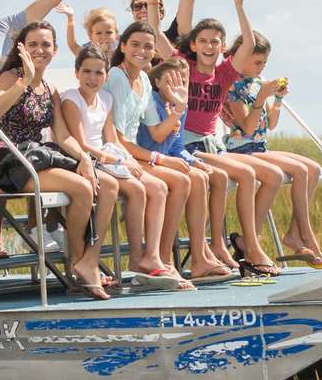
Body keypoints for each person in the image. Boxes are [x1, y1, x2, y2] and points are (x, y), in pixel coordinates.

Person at [0, 22, 118, 299]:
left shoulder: (50, 89)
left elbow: (61, 135)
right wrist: (24, 82)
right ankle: (79, 265)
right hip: (8, 159)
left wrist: (83, 157)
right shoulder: (12, 77)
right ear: (22, 48)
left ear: (55, 50)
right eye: (33, 44)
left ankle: (87, 260)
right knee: (81, 188)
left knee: (106, 183)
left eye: (46, 45)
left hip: (37, 157)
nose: (39, 50)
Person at [60, 44, 190, 288]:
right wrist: (117, 160)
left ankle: (140, 258)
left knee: (142, 188)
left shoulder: (106, 98)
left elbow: (111, 138)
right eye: (87, 71)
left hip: (108, 157)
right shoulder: (71, 98)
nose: (92, 78)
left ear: (106, 76)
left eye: (99, 73)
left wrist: (126, 159)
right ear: (77, 73)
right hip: (86, 160)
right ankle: (91, 257)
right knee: (112, 185)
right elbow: (81, 143)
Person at [179, 0, 279, 276]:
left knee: (248, 175)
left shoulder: (224, 74)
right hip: (187, 144)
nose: (209, 46)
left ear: (222, 48)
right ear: (195, 46)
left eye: (215, 42)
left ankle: (249, 244)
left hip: (213, 145)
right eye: (204, 41)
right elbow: (166, 35)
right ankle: (220, 244)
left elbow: (247, 44)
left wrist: (239, 6)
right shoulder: (184, 66)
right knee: (228, 175)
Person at [112, 24, 228, 280]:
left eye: (148, 46)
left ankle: (195, 257)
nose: (142, 51)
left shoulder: (141, 79)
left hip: (136, 154)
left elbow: (159, 134)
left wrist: (178, 108)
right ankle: (159, 258)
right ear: (122, 46)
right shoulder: (116, 78)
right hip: (120, 153)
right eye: (135, 45)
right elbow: (122, 139)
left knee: (195, 175)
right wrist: (160, 158)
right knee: (177, 180)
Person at [223, 31, 322, 267]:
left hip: (260, 147)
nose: (261, 67)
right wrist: (261, 97)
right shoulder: (234, 88)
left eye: (264, 63)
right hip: (242, 150)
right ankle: (302, 235)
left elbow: (272, 123)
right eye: (257, 62)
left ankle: (294, 233)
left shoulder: (258, 84)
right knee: (298, 171)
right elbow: (247, 129)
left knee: (313, 168)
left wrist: (276, 99)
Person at [138, 56, 237, 278]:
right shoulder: (152, 102)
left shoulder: (179, 103)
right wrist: (178, 110)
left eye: (182, 79)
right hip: (147, 160)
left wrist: (193, 161)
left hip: (166, 161)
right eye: (170, 79)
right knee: (188, 179)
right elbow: (150, 141)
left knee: (201, 176)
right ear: (157, 82)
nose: (177, 84)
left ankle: (200, 255)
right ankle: (165, 258)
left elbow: (177, 146)